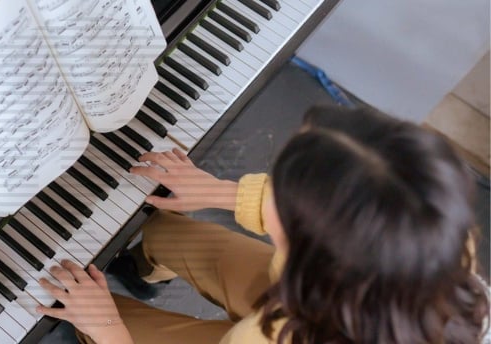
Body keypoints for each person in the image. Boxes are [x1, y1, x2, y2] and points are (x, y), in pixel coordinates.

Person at [35, 105, 490, 343]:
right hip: (314, 309)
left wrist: (108, 325)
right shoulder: (436, 233)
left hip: (291, 328)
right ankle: (147, 266)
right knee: (167, 230)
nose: (270, 200)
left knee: (99, 320)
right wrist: (216, 190)